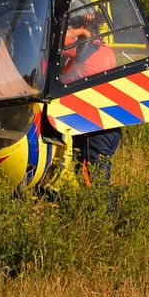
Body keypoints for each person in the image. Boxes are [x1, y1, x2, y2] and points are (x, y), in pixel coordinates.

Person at [61, 14, 122, 187]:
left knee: (92, 180)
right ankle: (105, 210)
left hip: (94, 127)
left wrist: (80, 31)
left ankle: (100, 213)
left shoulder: (83, 49)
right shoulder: (105, 49)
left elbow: (52, 41)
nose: (71, 31)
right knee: (100, 175)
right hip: (110, 125)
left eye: (73, 28)